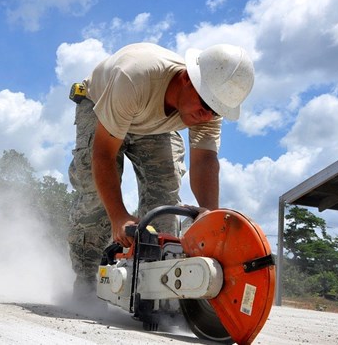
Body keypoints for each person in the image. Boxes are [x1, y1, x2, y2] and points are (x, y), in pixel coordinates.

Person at [67, 42, 255, 299]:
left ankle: (153, 291)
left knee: (165, 198)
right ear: (188, 78)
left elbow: (204, 161)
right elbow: (103, 154)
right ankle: (86, 286)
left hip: (153, 123)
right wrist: (119, 216)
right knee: (97, 199)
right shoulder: (134, 78)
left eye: (216, 111)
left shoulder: (209, 106)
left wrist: (209, 218)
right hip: (103, 105)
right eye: (205, 106)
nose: (207, 116)